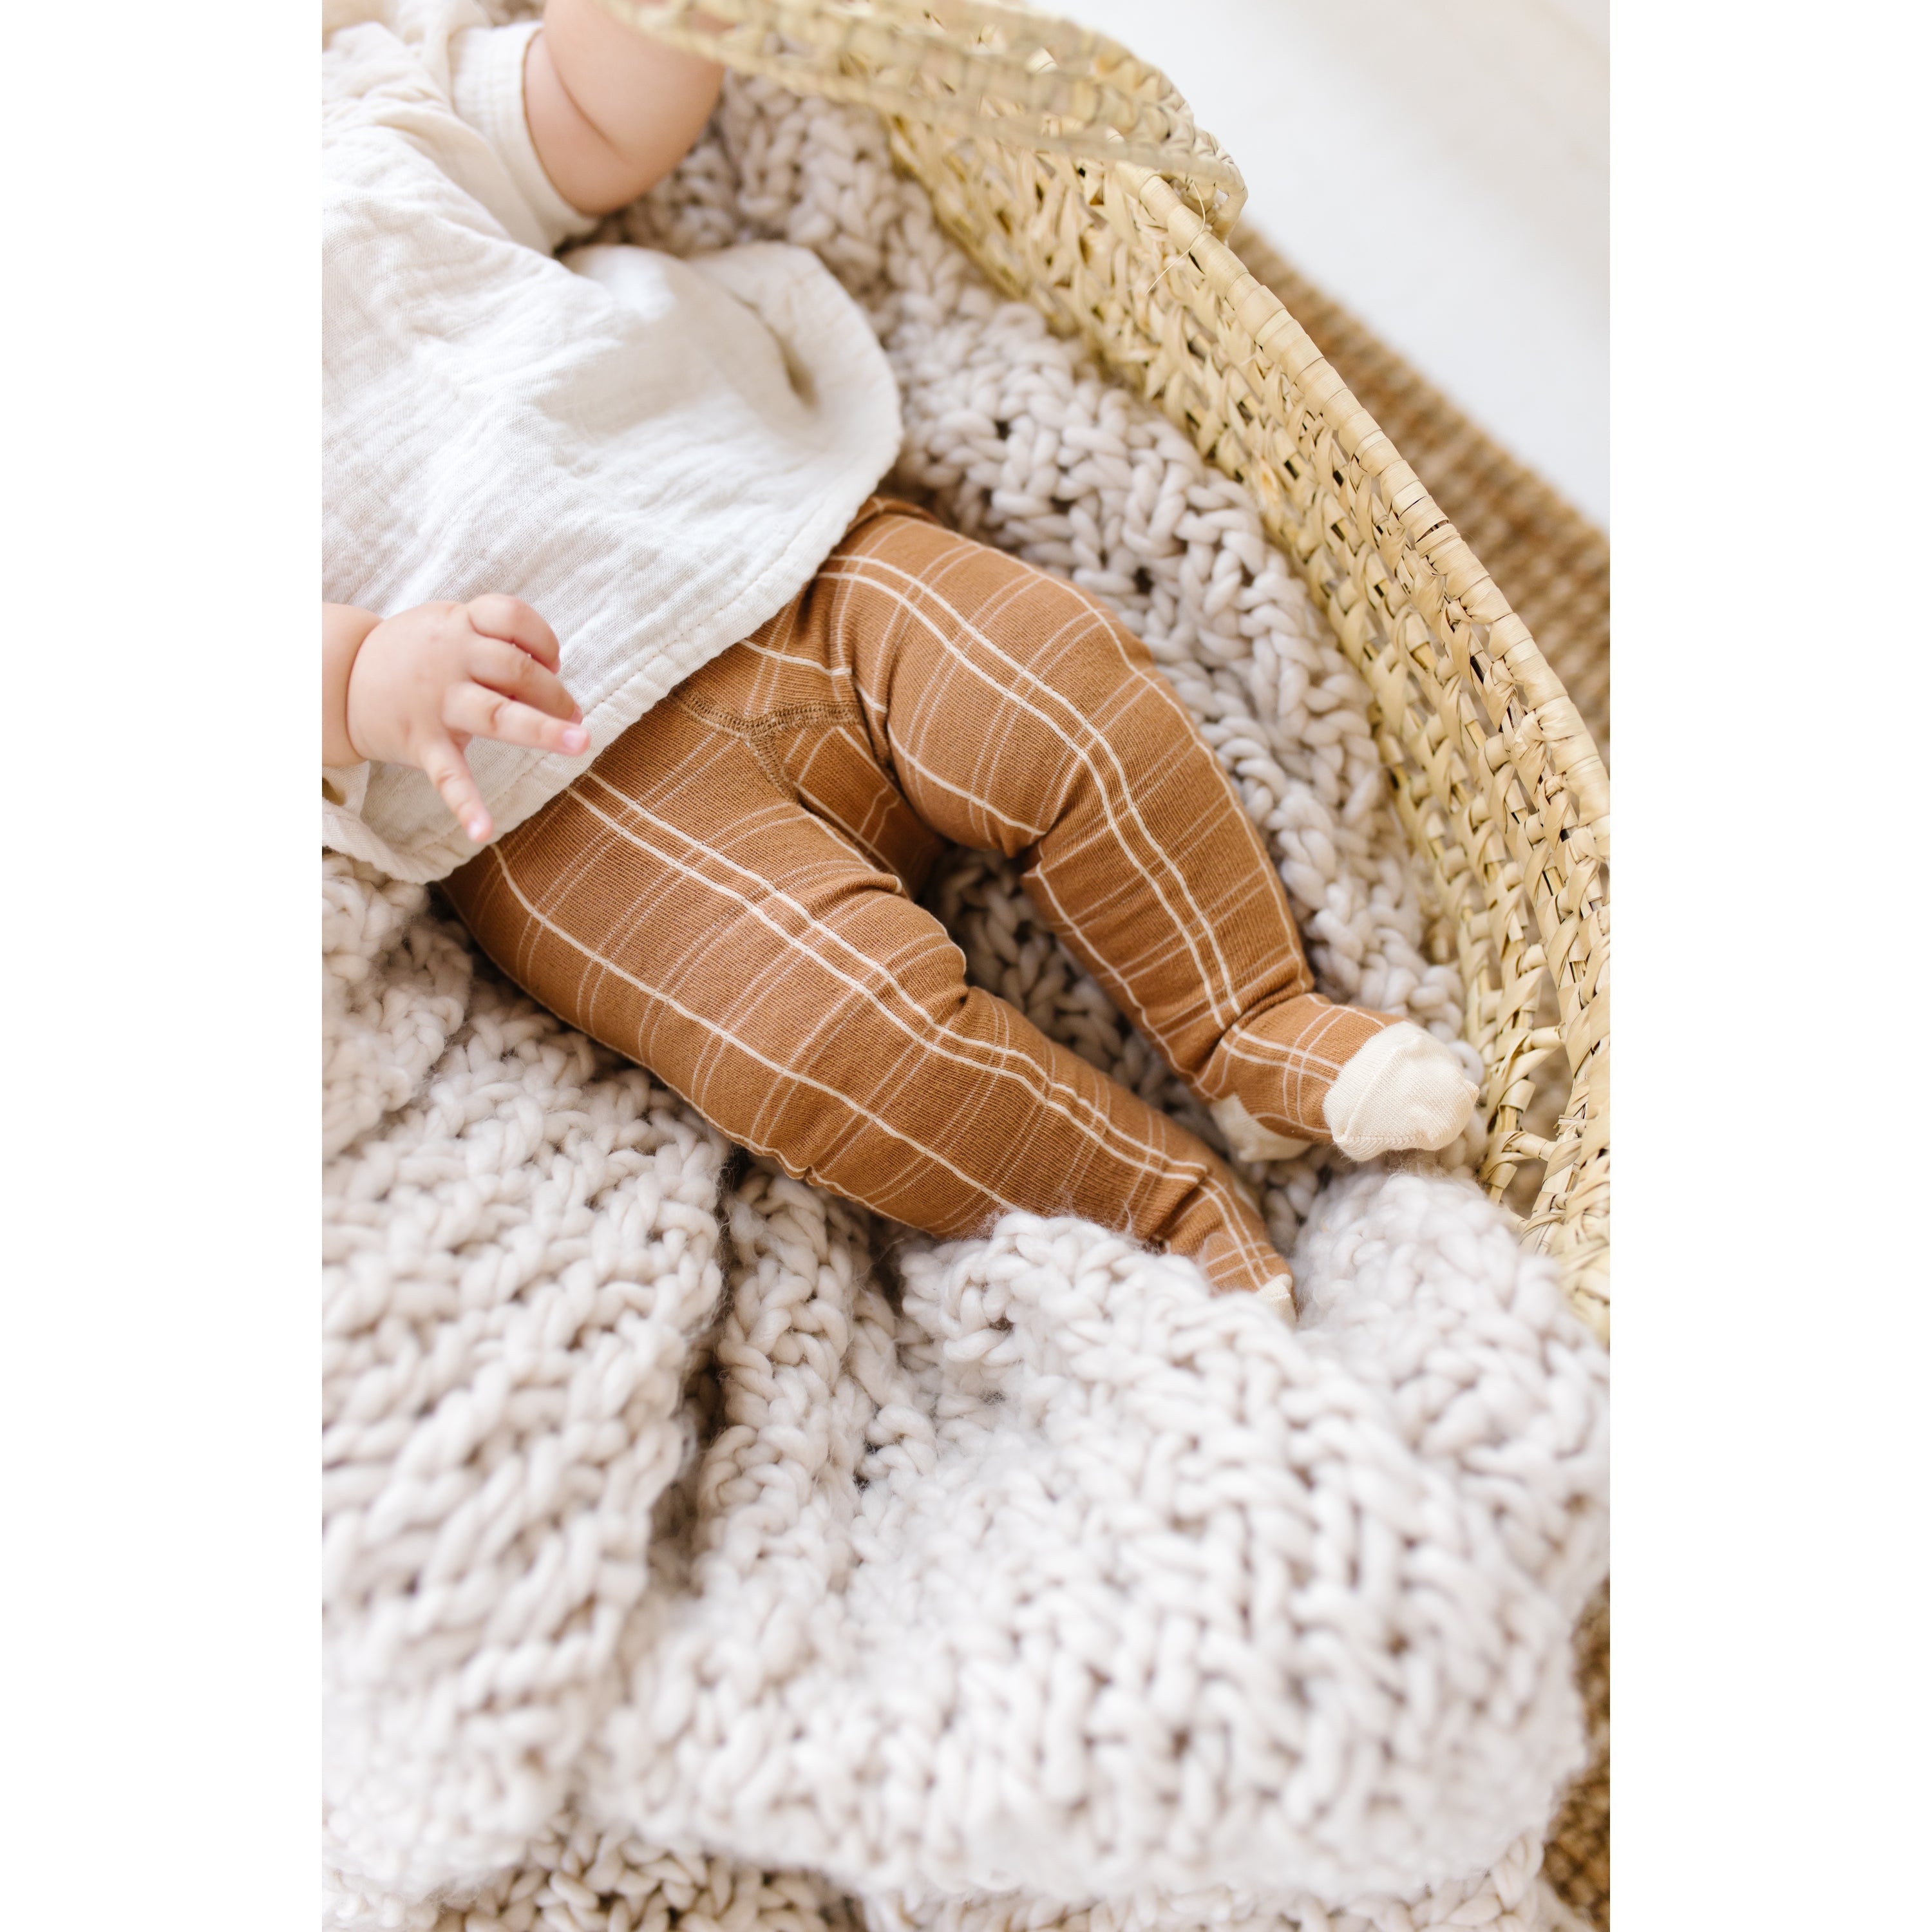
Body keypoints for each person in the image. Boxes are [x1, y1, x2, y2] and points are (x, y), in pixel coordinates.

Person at [321, 0, 1477, 1311]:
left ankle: (1251, 1021)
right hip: (573, 797)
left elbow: (595, 115)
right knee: (820, 1045)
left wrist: (647, 22)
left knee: (1059, 688)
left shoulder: (368, 95)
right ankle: (1162, 1222)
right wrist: (358, 677)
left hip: (781, 549)